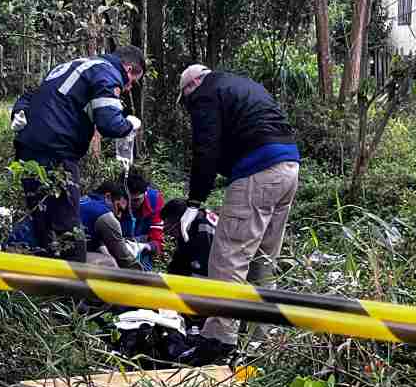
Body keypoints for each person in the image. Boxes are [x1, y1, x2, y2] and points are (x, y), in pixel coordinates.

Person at [175, 64, 300, 365]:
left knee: (228, 258)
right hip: (289, 169)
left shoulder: (205, 93)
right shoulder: (241, 84)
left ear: (191, 86)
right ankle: (261, 341)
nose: (190, 108)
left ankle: (219, 339)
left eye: (186, 101)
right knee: (263, 262)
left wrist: (194, 202)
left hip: (258, 172)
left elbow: (206, 148)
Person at [9, 46, 146, 261]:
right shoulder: (107, 72)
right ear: (128, 69)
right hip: (57, 152)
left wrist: (17, 112)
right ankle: (76, 290)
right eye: (132, 81)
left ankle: (47, 287)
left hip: (27, 148)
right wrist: (129, 125)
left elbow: (30, 96)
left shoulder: (71, 66)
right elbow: (109, 123)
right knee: (68, 226)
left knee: (41, 218)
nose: (128, 88)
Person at [78, 180, 149, 269]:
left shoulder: (83, 199)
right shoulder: (104, 215)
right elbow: (125, 259)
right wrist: (143, 276)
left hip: (63, 249)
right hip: (70, 257)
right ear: (108, 197)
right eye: (119, 208)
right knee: (110, 263)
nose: (118, 216)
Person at [160, 198, 217, 277]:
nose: (171, 234)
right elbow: (179, 260)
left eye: (171, 229)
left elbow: (202, 269)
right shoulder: (189, 223)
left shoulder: (203, 229)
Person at [121, 169, 165, 269]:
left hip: (142, 247)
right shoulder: (115, 198)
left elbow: (158, 240)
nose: (131, 204)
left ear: (145, 194)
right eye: (128, 199)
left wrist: (144, 246)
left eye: (136, 200)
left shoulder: (154, 200)